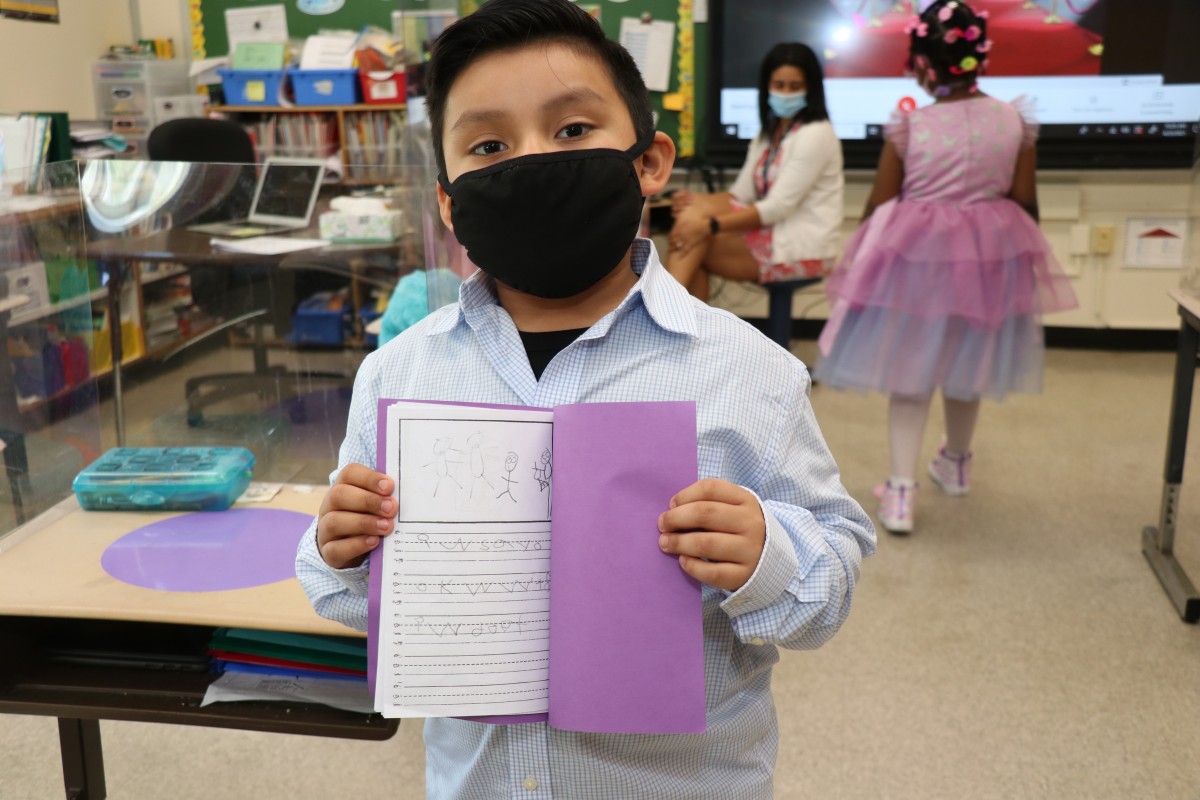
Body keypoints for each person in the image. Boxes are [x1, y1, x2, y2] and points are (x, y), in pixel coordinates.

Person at [295, 1, 875, 797]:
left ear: (649, 162)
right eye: (489, 144)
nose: (532, 161)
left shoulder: (750, 373)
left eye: (571, 130)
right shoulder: (400, 375)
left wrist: (767, 553)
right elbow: (346, 593)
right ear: (448, 203)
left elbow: (833, 578)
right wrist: (339, 546)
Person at [812, 0, 1078, 534]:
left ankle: (901, 493)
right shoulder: (1014, 121)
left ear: (925, 65)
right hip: (988, 262)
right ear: (978, 58)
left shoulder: (911, 127)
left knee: (910, 374)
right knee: (969, 365)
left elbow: (880, 203)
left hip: (917, 264)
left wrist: (862, 253)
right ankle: (956, 465)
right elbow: (1024, 199)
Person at [666, 43, 844, 302]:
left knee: (693, 237)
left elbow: (777, 208)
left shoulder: (816, 134)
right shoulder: (769, 133)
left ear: (811, 88)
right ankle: (677, 326)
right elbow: (740, 195)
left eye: (794, 87)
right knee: (691, 221)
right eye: (779, 85)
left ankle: (663, 316)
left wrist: (709, 225)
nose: (785, 93)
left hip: (803, 250)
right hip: (772, 238)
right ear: (767, 86)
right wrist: (693, 201)